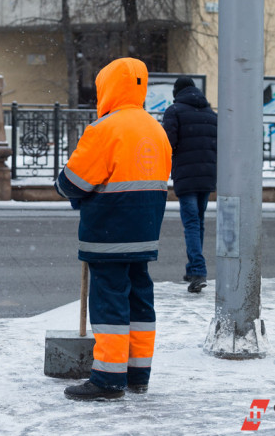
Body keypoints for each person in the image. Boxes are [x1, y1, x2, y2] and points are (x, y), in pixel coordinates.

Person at [54, 58, 172, 401]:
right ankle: (137, 373)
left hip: (109, 233)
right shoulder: (156, 129)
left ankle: (107, 378)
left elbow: (73, 181)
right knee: (139, 300)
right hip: (145, 230)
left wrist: (65, 186)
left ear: (107, 87)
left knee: (109, 304)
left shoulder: (105, 129)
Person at [161, 77, 217, 293]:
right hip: (207, 175)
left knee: (192, 223)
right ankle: (193, 268)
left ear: (177, 92)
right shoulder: (210, 114)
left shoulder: (174, 111)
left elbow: (169, 144)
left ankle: (198, 270)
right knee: (198, 222)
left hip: (186, 174)